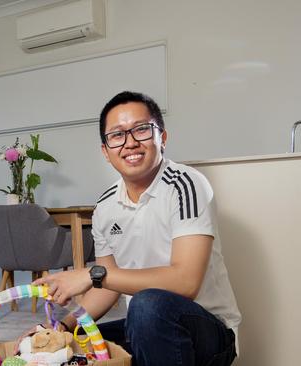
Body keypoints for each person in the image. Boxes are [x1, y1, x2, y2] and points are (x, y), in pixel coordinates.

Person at [33, 91, 241, 366]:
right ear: (105, 151)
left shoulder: (187, 184)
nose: (130, 143)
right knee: (76, 344)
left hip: (206, 334)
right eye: (117, 135)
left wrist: (91, 274)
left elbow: (186, 282)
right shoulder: (106, 206)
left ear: (162, 138)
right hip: (146, 327)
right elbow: (107, 287)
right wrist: (65, 327)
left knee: (146, 305)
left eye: (141, 130)